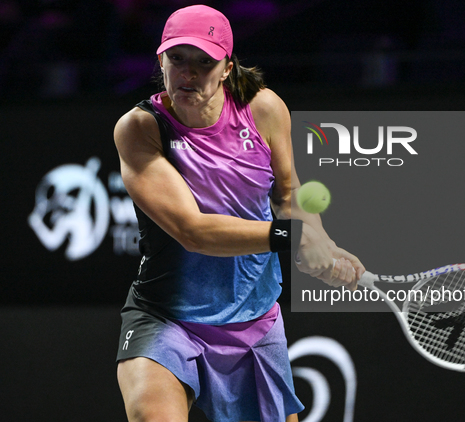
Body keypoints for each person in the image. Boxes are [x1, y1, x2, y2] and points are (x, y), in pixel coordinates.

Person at [114, 5, 364, 422]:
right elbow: (192, 231)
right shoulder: (141, 127)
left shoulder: (264, 109)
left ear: (227, 67)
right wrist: (290, 237)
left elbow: (288, 194)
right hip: (167, 317)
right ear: (161, 60)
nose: (188, 73)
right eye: (177, 58)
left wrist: (320, 242)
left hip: (253, 319)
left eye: (204, 61)